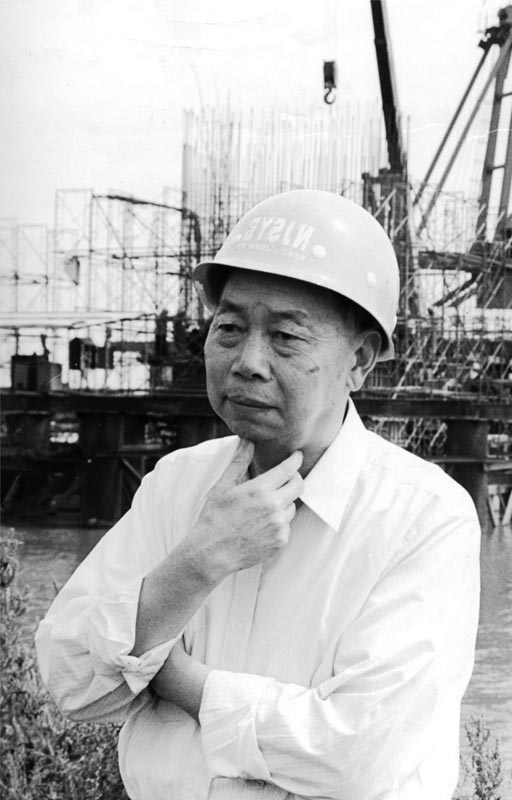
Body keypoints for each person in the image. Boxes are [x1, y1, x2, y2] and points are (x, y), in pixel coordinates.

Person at [36, 189, 480, 800]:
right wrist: (196, 564)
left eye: (286, 337)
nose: (247, 361)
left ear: (359, 360)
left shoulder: (423, 517)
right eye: (229, 328)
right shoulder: (176, 484)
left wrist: (174, 677)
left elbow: (356, 758)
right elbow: (68, 680)